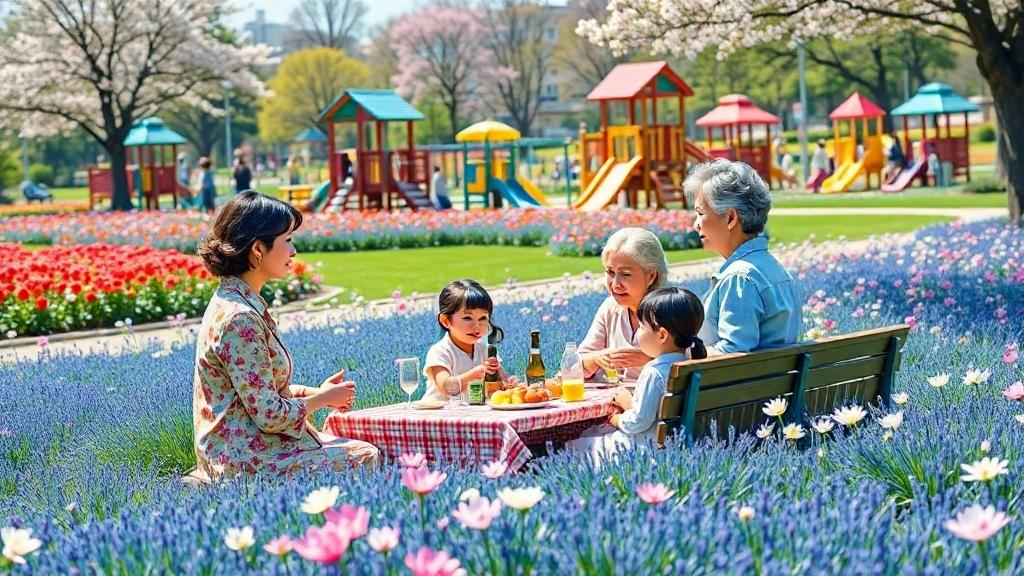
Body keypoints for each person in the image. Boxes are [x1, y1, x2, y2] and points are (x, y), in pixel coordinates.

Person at [190, 192, 379, 481]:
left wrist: (314, 394)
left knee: (349, 437)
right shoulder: (240, 318)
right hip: (245, 460)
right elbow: (268, 414)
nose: (293, 251)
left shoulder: (238, 300)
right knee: (367, 454)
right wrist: (324, 398)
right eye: (287, 240)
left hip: (243, 447)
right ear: (257, 250)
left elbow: (259, 388)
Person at [566, 287, 708, 461]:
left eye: (641, 327)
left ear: (662, 335)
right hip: (673, 445)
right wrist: (629, 403)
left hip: (642, 450)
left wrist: (615, 419)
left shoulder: (654, 372)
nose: (638, 333)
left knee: (572, 443)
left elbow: (638, 422)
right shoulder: (693, 365)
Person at [684, 160, 801, 354]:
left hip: (744, 384)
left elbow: (732, 353)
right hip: (775, 382)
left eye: (700, 213)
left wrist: (674, 357)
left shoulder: (739, 278)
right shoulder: (774, 268)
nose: (696, 224)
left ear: (731, 218)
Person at [577, 227, 670, 382]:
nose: (615, 284)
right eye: (610, 272)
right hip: (613, 402)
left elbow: (692, 363)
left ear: (651, 276)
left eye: (625, 274)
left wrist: (650, 360)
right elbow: (572, 366)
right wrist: (595, 359)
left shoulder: (673, 309)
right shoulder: (610, 308)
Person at [422, 280, 508, 402]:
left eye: (483, 318)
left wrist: (509, 381)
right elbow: (446, 388)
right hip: (439, 416)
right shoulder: (440, 351)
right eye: (467, 318)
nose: (477, 325)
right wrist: (477, 373)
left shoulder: (485, 350)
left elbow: (502, 380)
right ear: (446, 320)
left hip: (472, 415)